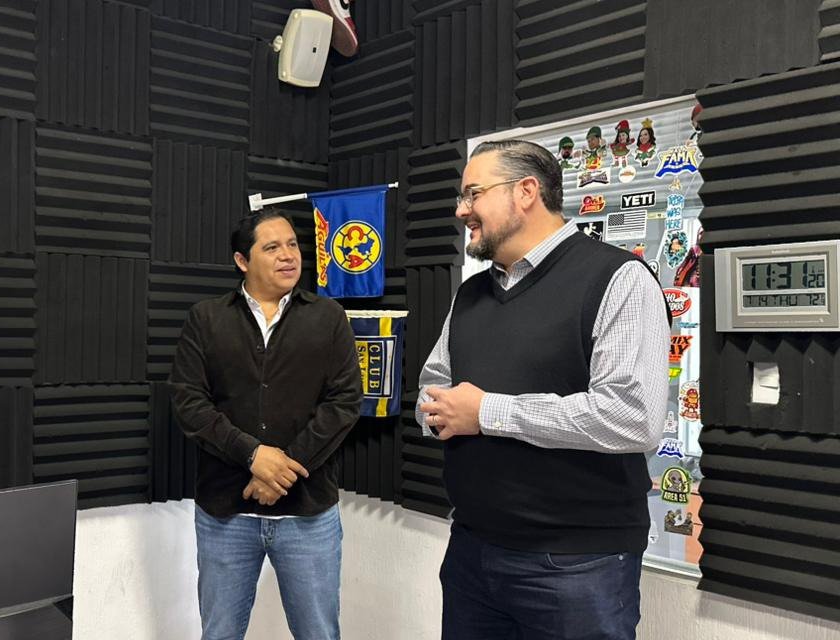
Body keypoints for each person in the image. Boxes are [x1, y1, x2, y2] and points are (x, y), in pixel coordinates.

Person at [417, 140, 669, 640]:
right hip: (472, 551)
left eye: (473, 194)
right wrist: (438, 412)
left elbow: (633, 417)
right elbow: (434, 388)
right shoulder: (471, 293)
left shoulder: (618, 278)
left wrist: (487, 413)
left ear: (526, 191)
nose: (461, 210)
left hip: (578, 563)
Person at [170, 209, 362, 640]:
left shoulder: (328, 316)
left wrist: (282, 469)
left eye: (292, 244)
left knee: (318, 634)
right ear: (242, 260)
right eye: (272, 247)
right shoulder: (206, 319)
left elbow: (344, 402)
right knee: (219, 633)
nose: (288, 255)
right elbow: (189, 403)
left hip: (308, 514)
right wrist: (252, 456)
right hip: (226, 514)